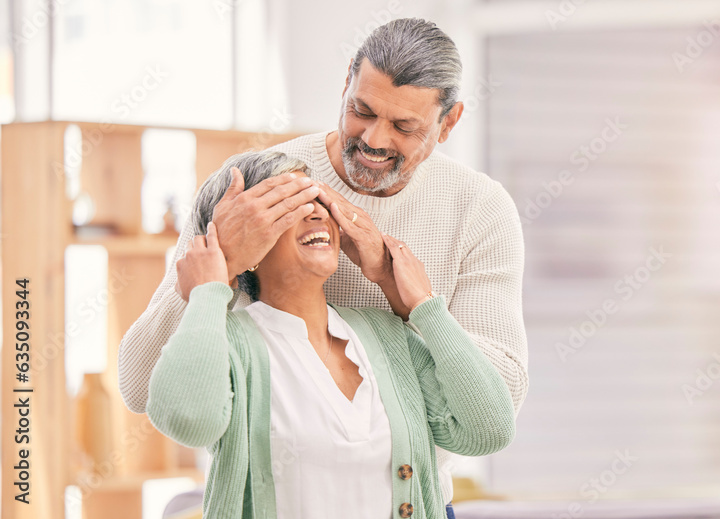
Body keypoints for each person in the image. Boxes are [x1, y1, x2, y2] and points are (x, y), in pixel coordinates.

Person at [118, 17, 528, 508]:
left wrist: (411, 303)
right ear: (345, 86)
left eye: (403, 126)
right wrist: (221, 265)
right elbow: (143, 387)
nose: (374, 139)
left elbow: (496, 404)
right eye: (361, 110)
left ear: (449, 122)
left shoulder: (480, 208)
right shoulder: (255, 185)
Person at [147, 151, 515, 518]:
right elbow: (189, 421)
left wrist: (425, 306)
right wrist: (209, 289)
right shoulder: (229, 342)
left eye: (318, 199)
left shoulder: (385, 335)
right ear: (246, 244)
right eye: (288, 205)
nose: (317, 212)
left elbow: (488, 430)